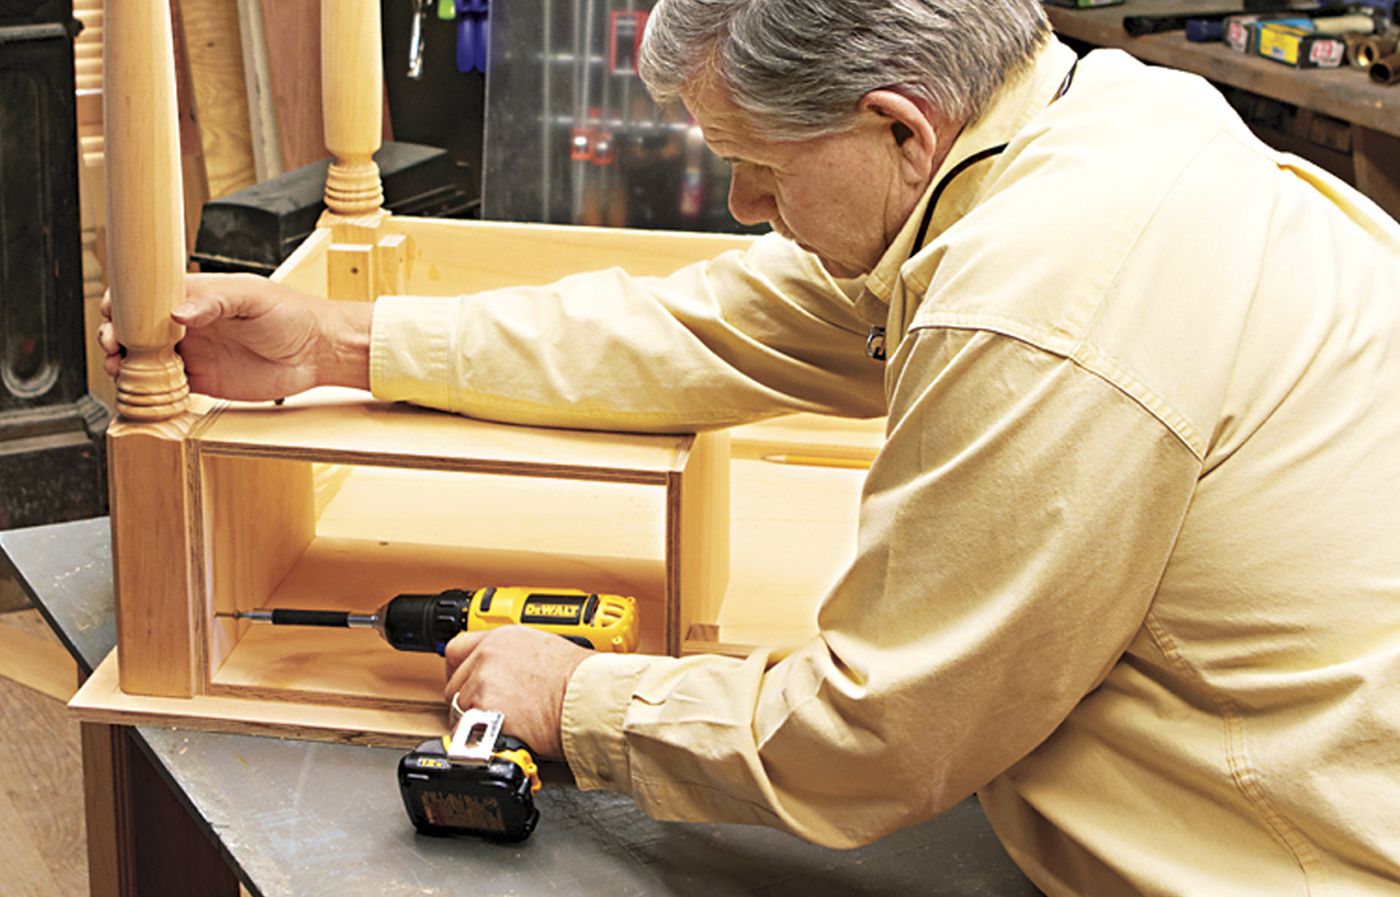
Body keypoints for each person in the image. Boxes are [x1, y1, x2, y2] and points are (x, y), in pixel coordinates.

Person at [101, 0, 1400, 893]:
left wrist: (583, 701)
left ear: (899, 124)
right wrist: (340, 344)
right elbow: (704, 326)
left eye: (759, 166)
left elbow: (887, 733)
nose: (743, 206)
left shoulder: (1041, 297)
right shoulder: (1079, 128)